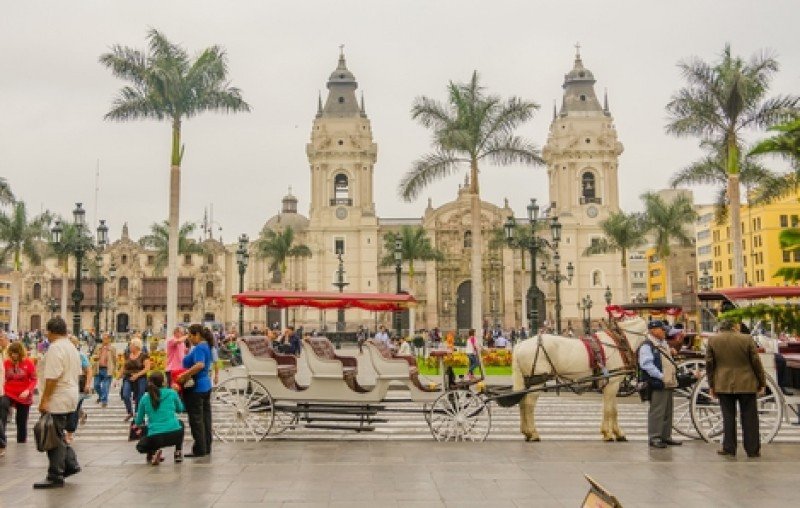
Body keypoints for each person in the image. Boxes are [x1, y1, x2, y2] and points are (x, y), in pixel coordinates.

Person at [706, 320, 767, 458]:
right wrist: (761, 381)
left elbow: (709, 364)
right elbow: (756, 362)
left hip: (723, 383)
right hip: (746, 382)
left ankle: (729, 447)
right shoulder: (746, 339)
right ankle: (752, 449)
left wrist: (711, 385)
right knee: (750, 417)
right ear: (734, 327)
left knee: (728, 416)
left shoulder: (713, 340)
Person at [34, 317, 82, 489]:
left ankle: (55, 474)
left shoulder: (56, 348)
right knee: (58, 433)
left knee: (52, 436)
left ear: (51, 331)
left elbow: (52, 377)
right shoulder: (71, 347)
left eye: (47, 331)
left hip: (58, 396)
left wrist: (45, 399)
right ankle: (70, 464)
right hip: (70, 394)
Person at [638, 320, 681, 449]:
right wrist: (661, 376)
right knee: (657, 411)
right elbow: (646, 364)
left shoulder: (663, 343)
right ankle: (655, 437)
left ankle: (666, 436)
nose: (664, 331)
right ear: (653, 330)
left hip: (668, 382)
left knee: (667, 410)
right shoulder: (647, 345)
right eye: (662, 329)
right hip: (657, 382)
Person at [134, 371, 186, 465]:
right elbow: (180, 409)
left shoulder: (145, 397)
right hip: (174, 435)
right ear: (163, 382)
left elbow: (138, 421)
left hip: (155, 438)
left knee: (143, 437)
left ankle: (152, 453)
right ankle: (178, 452)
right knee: (180, 423)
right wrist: (177, 394)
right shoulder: (171, 393)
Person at [178, 324, 214, 458]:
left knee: (196, 419)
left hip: (197, 387)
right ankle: (206, 446)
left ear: (197, 335)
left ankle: (199, 448)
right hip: (206, 385)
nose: (189, 338)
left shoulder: (199, 347)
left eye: (190, 335)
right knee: (206, 418)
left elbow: (200, 364)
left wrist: (185, 375)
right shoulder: (206, 346)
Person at [2, 341, 37, 447]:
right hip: (8, 392)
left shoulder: (28, 363)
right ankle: (2, 439)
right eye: (12, 353)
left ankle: (21, 444)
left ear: (20, 353)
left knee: (21, 421)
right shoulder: (6, 363)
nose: (14, 355)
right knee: (2, 409)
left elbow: (34, 379)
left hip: (24, 394)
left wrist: (28, 391)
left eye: (16, 353)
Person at [65, 337, 92, 443]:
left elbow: (89, 370)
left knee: (74, 408)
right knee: (68, 408)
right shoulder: (63, 356)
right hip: (66, 385)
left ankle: (70, 432)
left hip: (78, 385)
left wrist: (88, 384)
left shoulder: (80, 356)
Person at [121, 337, 150, 421]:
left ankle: (138, 413)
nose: (129, 346)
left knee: (139, 397)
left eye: (131, 345)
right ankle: (130, 412)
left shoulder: (144, 355)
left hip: (141, 378)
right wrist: (117, 378)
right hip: (128, 377)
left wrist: (137, 375)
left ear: (136, 346)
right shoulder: (127, 355)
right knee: (125, 395)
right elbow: (123, 367)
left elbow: (147, 368)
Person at [92, 333, 116, 408]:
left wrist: (114, 370)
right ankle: (101, 396)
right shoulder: (98, 347)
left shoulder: (112, 348)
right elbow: (93, 356)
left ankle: (104, 401)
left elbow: (114, 359)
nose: (104, 340)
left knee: (105, 387)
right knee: (96, 385)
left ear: (109, 339)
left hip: (107, 369)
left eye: (105, 338)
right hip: (98, 368)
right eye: (103, 338)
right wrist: (95, 357)